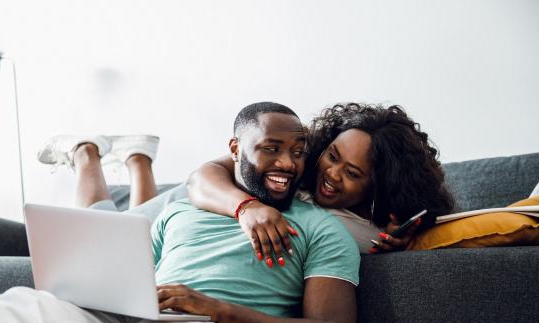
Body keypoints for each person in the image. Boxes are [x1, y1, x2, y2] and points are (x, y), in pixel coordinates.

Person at [0, 102, 360, 323]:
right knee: (31, 309)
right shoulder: (186, 206)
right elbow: (129, 271)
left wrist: (216, 309)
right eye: (271, 149)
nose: (288, 163)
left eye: (297, 152)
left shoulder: (322, 229)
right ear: (235, 150)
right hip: (140, 314)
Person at [187, 102, 455, 257]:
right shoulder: (294, 161)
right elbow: (200, 177)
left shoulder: (368, 234)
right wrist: (246, 207)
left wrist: (408, 246)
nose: (331, 174)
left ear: (379, 189)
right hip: (198, 202)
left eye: (352, 173)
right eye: (333, 155)